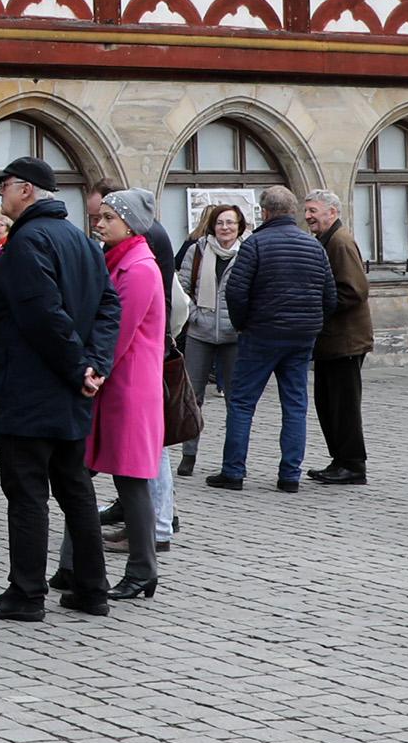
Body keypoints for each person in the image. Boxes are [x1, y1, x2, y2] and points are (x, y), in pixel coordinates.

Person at [0, 156, 116, 622]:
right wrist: (94, 365)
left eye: (4, 188)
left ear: (27, 190)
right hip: (70, 388)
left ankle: (26, 593)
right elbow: (108, 308)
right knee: (75, 488)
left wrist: (81, 367)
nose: (0, 196)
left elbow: (43, 316)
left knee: (28, 491)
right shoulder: (81, 240)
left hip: (33, 388)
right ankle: (92, 589)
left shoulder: (27, 243)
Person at [208, 187, 329, 491]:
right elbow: (330, 295)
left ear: (264, 212)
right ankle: (290, 476)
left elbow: (236, 292)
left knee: (242, 403)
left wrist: (242, 324)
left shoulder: (255, 244)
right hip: (301, 336)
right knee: (295, 404)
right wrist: (312, 323)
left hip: (260, 334)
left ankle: (233, 471)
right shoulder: (314, 246)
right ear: (293, 212)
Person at [89, 191, 169, 599]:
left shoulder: (138, 268)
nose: (99, 224)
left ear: (130, 224)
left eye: (107, 217)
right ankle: (74, 565)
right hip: (117, 387)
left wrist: (94, 371)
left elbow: (118, 332)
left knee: (131, 481)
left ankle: (142, 569)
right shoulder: (120, 261)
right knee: (87, 476)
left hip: (129, 390)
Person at [303, 188, 372, 486]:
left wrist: (318, 305)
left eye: (313, 211)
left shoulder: (340, 242)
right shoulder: (326, 240)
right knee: (327, 402)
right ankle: (340, 459)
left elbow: (354, 290)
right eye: (306, 211)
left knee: (343, 404)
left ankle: (353, 464)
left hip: (345, 339)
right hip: (332, 340)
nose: (308, 216)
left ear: (332, 213)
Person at [175, 201, 245, 483]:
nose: (225, 228)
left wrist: (242, 322)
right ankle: (188, 454)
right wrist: (194, 315)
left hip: (233, 336)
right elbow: (181, 284)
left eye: (230, 223)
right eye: (220, 223)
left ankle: (232, 459)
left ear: (240, 227)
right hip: (200, 333)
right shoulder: (199, 249)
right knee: (193, 397)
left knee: (234, 399)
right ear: (212, 225)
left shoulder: (247, 252)